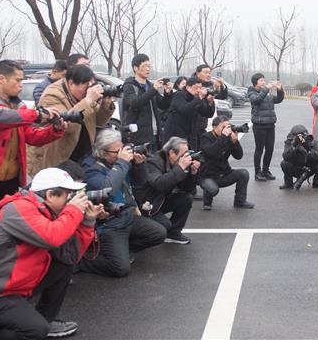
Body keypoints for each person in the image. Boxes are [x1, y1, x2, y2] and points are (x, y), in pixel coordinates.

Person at [0, 167, 100, 339]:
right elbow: (52, 237)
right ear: (51, 195)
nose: (71, 200)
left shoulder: (46, 211)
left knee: (64, 265)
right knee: (35, 329)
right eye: (68, 195)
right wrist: (73, 210)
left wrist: (88, 221)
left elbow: (70, 256)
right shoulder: (20, 208)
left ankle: (45, 319)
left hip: (15, 286)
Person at [0, 60, 66, 216]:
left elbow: (31, 136)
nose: (21, 84)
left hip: (11, 180)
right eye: (18, 80)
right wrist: (36, 114)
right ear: (2, 79)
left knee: (7, 225)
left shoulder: (18, 107)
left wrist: (55, 129)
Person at [76, 130, 167, 277]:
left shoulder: (117, 162)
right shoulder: (90, 169)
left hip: (127, 216)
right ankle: (81, 260)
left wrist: (138, 165)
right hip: (109, 223)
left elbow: (141, 182)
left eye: (121, 149)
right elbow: (107, 189)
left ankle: (122, 250)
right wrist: (122, 162)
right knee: (120, 269)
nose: (120, 154)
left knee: (159, 233)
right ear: (102, 152)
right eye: (116, 151)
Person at [28, 65, 116, 176]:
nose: (88, 90)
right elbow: (66, 126)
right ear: (71, 83)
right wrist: (88, 100)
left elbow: (99, 121)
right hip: (58, 159)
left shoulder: (83, 97)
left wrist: (105, 105)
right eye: (85, 86)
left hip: (81, 157)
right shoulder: (52, 95)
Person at [133, 137, 197, 244]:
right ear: (172, 153)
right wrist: (181, 168)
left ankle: (173, 234)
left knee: (186, 199)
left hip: (159, 201)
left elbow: (187, 189)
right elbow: (160, 184)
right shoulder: (153, 162)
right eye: (184, 154)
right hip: (146, 205)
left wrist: (192, 173)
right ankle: (132, 244)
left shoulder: (175, 164)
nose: (187, 157)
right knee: (164, 225)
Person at [198, 117, 255, 210]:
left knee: (243, 174)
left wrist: (235, 141)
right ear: (214, 127)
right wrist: (223, 136)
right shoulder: (206, 137)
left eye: (228, 126)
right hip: (208, 175)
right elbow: (211, 152)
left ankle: (240, 201)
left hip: (224, 174)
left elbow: (238, 156)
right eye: (223, 127)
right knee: (213, 189)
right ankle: (207, 202)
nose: (227, 129)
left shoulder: (228, 138)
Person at [122, 54, 173, 149]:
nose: (148, 69)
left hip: (155, 135)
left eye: (149, 66)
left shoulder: (150, 86)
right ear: (135, 68)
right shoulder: (129, 86)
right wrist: (153, 90)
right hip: (139, 137)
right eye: (144, 66)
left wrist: (167, 93)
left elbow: (163, 105)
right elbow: (135, 103)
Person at [248, 73, 284, 181]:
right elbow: (256, 100)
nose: (264, 82)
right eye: (261, 81)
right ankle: (257, 172)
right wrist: (266, 89)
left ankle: (265, 170)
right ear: (255, 83)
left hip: (270, 124)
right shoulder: (251, 92)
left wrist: (280, 89)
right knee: (259, 149)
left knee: (270, 149)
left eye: (264, 80)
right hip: (259, 125)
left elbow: (278, 100)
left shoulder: (267, 94)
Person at [162, 76, 214, 150]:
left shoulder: (196, 98)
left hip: (191, 137)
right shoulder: (179, 95)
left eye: (200, 88)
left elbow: (208, 114)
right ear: (188, 87)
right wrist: (199, 98)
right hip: (175, 136)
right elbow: (185, 109)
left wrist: (210, 103)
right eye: (196, 88)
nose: (199, 90)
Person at [279, 125, 318, 189]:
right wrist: (294, 147)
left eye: (302, 137)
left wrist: (309, 150)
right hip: (295, 168)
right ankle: (288, 183)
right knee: (284, 163)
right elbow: (285, 156)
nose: (301, 139)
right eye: (299, 137)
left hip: (309, 168)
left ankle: (317, 182)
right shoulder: (289, 142)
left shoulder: (311, 142)